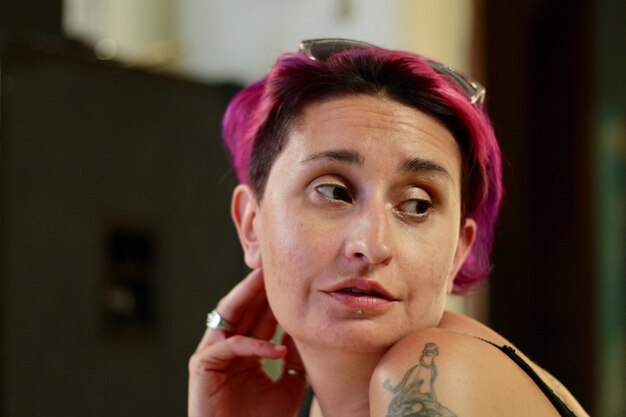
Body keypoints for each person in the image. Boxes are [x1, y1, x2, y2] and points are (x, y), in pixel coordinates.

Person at [188, 39, 589, 417]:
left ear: (457, 253)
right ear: (251, 226)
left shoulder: (433, 370)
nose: (371, 243)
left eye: (417, 204)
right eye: (333, 191)